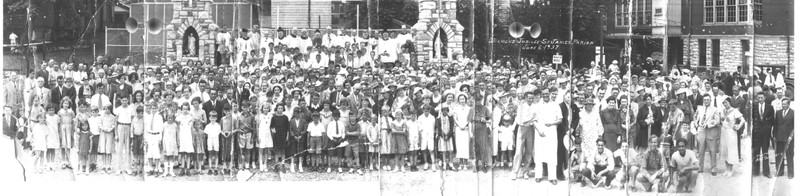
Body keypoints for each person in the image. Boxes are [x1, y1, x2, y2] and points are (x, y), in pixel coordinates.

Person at [693, 94, 720, 175]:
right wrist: (696, 124)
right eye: (704, 100)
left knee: (712, 150)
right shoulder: (700, 108)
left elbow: (717, 121)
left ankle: (713, 169)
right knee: (701, 150)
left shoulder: (714, 109)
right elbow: (695, 117)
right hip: (701, 130)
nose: (706, 101)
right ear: (703, 101)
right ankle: (700, 168)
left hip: (710, 130)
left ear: (710, 100)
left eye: (708, 100)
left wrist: (709, 125)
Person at [719, 97, 745, 177]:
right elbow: (722, 121)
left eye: (726, 102)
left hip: (731, 133)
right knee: (724, 150)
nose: (725, 104)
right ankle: (726, 169)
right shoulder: (723, 111)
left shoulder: (734, 111)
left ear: (730, 102)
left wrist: (738, 126)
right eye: (723, 103)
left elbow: (743, 120)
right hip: (723, 132)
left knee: (730, 151)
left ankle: (730, 170)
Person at [752, 91, 774, 178]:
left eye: (761, 97)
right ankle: (756, 171)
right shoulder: (754, 107)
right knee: (756, 152)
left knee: (765, 152)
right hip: (756, 133)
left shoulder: (770, 107)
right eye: (758, 98)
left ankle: (766, 172)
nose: (760, 99)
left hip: (766, 134)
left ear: (764, 98)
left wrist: (768, 129)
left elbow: (772, 120)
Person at [774, 97, 794, 178]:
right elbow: (775, 125)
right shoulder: (778, 112)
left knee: (789, 156)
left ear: (789, 104)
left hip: (788, 138)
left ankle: (790, 173)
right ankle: (780, 171)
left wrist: (791, 136)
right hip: (779, 137)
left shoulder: (793, 113)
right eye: (782, 104)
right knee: (779, 155)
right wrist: (774, 136)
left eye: (785, 104)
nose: (783, 105)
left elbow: (794, 127)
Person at [205, 111, 222, 175]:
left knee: (216, 154)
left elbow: (219, 134)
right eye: (211, 117)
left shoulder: (218, 126)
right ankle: (210, 168)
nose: (212, 119)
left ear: (216, 118)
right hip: (210, 140)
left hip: (216, 140)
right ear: (209, 118)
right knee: (210, 154)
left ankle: (216, 168)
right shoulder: (207, 126)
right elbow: (206, 135)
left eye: (214, 117)